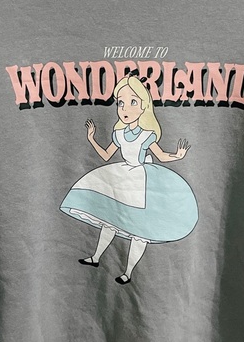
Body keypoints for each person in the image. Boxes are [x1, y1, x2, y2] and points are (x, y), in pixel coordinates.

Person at [59, 71, 199, 284]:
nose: (124, 108)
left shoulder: (146, 135)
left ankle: (128, 272)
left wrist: (177, 156)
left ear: (143, 106)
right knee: (109, 220)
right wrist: (92, 139)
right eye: (121, 103)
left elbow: (161, 155)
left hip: (140, 181)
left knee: (139, 230)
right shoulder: (119, 134)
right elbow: (106, 155)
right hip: (120, 176)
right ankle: (95, 257)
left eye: (132, 102)